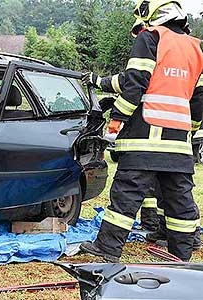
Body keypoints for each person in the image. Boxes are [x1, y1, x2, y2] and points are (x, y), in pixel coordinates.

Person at [80, 0, 203, 262]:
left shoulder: (151, 38)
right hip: (179, 146)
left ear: (150, 13)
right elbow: (199, 99)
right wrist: (187, 131)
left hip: (144, 139)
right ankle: (182, 257)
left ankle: (107, 248)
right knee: (179, 201)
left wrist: (116, 120)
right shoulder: (195, 48)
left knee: (126, 196)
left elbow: (134, 83)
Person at [83, 19, 160, 233]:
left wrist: (115, 122)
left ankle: (112, 244)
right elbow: (124, 80)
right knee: (158, 187)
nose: (138, 36)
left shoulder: (152, 46)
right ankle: (156, 228)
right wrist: (98, 80)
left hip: (143, 133)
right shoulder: (173, 52)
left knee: (132, 188)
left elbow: (131, 85)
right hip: (167, 139)